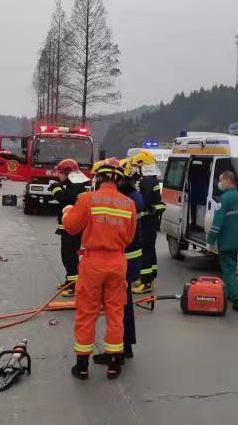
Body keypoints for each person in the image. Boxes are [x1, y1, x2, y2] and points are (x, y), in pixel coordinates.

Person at [62, 158, 136, 381]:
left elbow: (71, 227)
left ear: (99, 178)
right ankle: (114, 363)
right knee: (116, 313)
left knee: (87, 313)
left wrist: (67, 212)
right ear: (118, 180)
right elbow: (130, 237)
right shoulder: (128, 204)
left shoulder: (88, 199)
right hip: (117, 263)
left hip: (93, 263)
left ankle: (82, 365)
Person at [94, 159, 142, 366]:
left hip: (121, 258)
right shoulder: (131, 197)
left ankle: (120, 348)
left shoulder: (128, 199)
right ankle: (124, 346)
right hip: (125, 258)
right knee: (122, 304)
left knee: (118, 306)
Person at [49, 158, 89, 295]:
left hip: (72, 228)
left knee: (69, 256)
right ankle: (69, 281)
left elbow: (64, 199)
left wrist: (55, 188)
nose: (59, 176)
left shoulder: (76, 185)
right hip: (71, 226)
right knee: (68, 255)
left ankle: (73, 286)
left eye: (60, 173)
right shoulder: (76, 184)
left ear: (68, 173)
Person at [207, 170, 238, 311]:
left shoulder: (224, 199)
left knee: (228, 270)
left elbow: (217, 223)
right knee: (232, 267)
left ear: (228, 181)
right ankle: (230, 293)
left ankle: (235, 297)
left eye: (221, 180)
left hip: (225, 241)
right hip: (237, 241)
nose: (220, 183)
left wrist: (210, 240)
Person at [130, 151, 165, 295]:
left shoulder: (145, 182)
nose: (135, 170)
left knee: (145, 251)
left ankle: (146, 283)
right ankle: (150, 277)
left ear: (143, 167)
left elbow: (141, 203)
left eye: (137, 167)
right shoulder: (154, 181)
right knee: (150, 250)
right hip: (151, 221)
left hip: (145, 222)